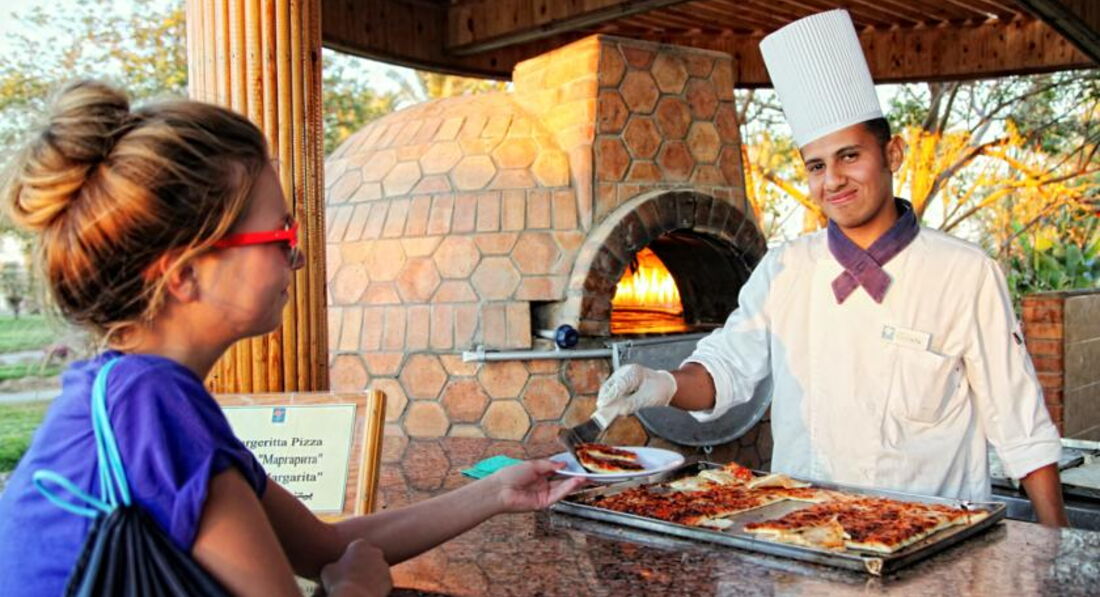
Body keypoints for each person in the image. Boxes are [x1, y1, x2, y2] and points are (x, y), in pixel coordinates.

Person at [0, 80, 585, 597]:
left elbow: (323, 546)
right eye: (280, 234)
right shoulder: (152, 405)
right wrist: (357, 589)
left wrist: (497, 493)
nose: (298, 256)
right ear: (183, 272)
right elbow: (338, 568)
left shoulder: (124, 392)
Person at [595, 10, 1068, 526]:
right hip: (803, 534)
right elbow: (724, 371)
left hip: (931, 537)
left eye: (849, 156)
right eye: (817, 166)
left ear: (892, 153)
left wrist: (1057, 544)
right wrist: (661, 384)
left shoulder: (964, 273)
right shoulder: (785, 269)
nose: (833, 180)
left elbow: (1020, 424)